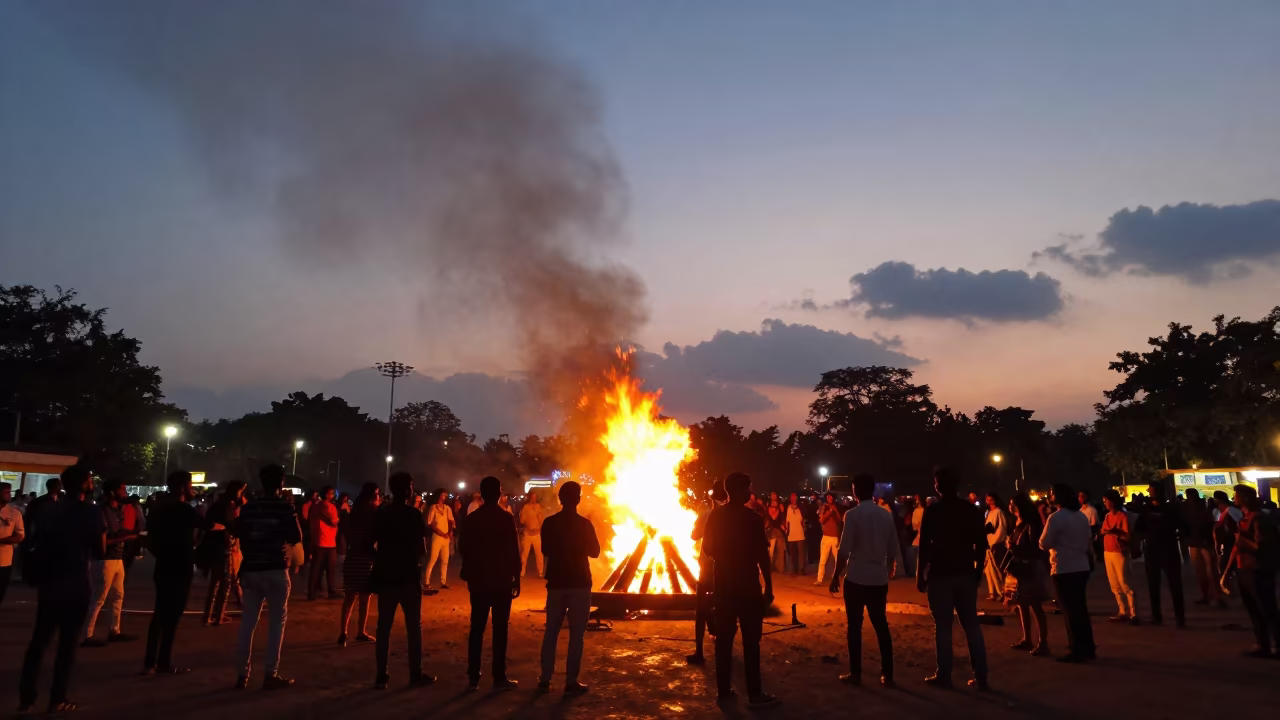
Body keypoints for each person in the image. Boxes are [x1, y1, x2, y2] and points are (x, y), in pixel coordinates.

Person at [18, 464, 103, 714]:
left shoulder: (49, 510)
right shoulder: (90, 512)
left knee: (39, 641)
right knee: (67, 645)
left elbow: (35, 541)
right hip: (75, 580)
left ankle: (27, 697)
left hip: (49, 581)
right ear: (85, 484)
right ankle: (58, 698)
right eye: (90, 479)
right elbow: (99, 550)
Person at [703, 472, 778, 707]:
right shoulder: (752, 519)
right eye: (748, 488)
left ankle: (724, 692)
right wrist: (769, 586)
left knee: (724, 640)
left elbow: (707, 550)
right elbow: (762, 557)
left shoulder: (715, 517)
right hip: (747, 586)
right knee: (751, 642)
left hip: (723, 585)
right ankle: (755, 695)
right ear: (737, 491)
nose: (750, 492)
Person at [916, 466, 989, 691]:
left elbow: (925, 546)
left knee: (944, 627)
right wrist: (977, 573)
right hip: (965, 572)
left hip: (941, 574)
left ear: (938, 485)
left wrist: (921, 574)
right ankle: (981, 675)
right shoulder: (969, 510)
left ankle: (944, 674)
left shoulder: (934, 511)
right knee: (971, 625)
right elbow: (981, 545)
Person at [233, 464, 302, 690]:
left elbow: (240, 533)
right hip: (275, 568)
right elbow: (295, 536)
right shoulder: (285, 507)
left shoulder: (249, 507)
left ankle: (242, 674)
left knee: (247, 624)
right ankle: (270, 673)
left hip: (251, 568)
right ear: (281, 483)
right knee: (276, 624)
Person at [829, 474, 901, 687]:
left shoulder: (852, 515)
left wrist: (835, 576)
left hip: (857, 577)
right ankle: (887, 674)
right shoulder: (885, 515)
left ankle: (856, 672)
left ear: (855, 491)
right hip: (878, 579)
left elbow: (844, 550)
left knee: (854, 627)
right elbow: (892, 547)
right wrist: (888, 568)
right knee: (881, 625)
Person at [370, 472, 436, 689]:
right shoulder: (414, 515)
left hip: (387, 576)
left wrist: (381, 559)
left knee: (384, 626)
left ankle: (381, 674)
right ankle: (415, 673)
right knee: (413, 627)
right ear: (408, 490)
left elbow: (370, 543)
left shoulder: (382, 514)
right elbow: (421, 549)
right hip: (408, 576)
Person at [537, 480, 601, 694]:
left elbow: (545, 549)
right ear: (578, 499)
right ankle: (571, 681)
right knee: (577, 635)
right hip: (579, 583)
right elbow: (595, 552)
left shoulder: (549, 523)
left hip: (556, 583)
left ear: (560, 499)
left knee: (551, 632)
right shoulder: (585, 524)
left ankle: (545, 679)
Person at [459, 476, 521, 691]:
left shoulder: (473, 518)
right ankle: (498, 676)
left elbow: (463, 547)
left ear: (483, 494)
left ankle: (474, 676)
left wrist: (470, 570)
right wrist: (517, 576)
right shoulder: (505, 518)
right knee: (500, 629)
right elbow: (514, 549)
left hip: (479, 581)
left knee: (477, 628)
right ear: (499, 494)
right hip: (501, 580)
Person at [1041, 484, 1096, 663]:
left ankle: (1077, 649)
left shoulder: (1056, 518)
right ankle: (1087, 647)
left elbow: (1044, 543)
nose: (1049, 496)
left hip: (1064, 567)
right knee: (1080, 608)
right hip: (1081, 566)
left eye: (1051, 493)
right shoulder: (1080, 516)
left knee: (1070, 611)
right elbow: (1088, 539)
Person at [1226, 484, 1280, 658]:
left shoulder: (1258, 519)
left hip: (1258, 569)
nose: (1234, 498)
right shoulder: (1245, 518)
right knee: (1254, 609)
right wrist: (1227, 571)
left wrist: (1243, 542)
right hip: (1245, 569)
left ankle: (1277, 645)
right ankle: (1261, 644)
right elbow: (1237, 545)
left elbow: (1261, 545)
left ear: (1246, 498)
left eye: (1236, 495)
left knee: (1267, 609)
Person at [1004, 493, 1050, 655]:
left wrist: (1015, 547)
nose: (1010, 506)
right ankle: (1027, 639)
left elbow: (1035, 548)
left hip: (1029, 567)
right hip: (1019, 567)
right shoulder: (1018, 522)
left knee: (1035, 604)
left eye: (1012, 503)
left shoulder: (1031, 524)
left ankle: (1043, 642)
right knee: (1021, 604)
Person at [1136, 483, 1188, 627]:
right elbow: (1139, 529)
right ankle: (1156, 616)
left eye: (1155, 490)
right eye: (1151, 490)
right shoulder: (1146, 509)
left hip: (1169, 550)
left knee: (1175, 585)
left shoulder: (1171, 509)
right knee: (1153, 585)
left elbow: (1184, 527)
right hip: (1152, 551)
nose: (1153, 493)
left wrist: (1179, 534)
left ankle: (1180, 618)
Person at [688, 480, 726, 665]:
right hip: (727, 568)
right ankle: (723, 649)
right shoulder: (731, 515)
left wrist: (698, 521)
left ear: (711, 497)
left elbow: (694, 535)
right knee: (724, 608)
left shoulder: (707, 515)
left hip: (708, 568)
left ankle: (699, 652)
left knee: (701, 609)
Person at [339, 483, 381, 647]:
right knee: (364, 597)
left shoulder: (354, 511)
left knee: (349, 597)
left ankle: (343, 633)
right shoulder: (373, 513)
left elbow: (348, 533)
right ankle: (360, 631)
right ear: (373, 495)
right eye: (377, 493)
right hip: (366, 557)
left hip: (353, 556)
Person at [201, 481, 245, 626]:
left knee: (214, 583)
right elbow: (234, 528)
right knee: (224, 583)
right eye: (240, 491)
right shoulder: (228, 508)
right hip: (224, 548)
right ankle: (218, 616)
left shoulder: (217, 505)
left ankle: (207, 616)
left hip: (214, 548)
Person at [1101, 490, 1140, 625]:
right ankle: (1122, 611)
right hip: (1108, 551)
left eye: (1106, 500)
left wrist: (1115, 532)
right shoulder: (1107, 516)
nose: (1105, 503)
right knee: (1114, 584)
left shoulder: (1122, 516)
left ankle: (1134, 613)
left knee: (1125, 582)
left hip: (1119, 551)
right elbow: (1103, 531)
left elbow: (1126, 535)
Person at [1182, 489, 1221, 607]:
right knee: (1201, 572)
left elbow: (1211, 524)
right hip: (1196, 542)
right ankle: (1207, 595)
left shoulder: (1204, 509)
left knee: (1210, 571)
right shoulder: (1188, 510)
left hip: (1205, 542)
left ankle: (1216, 597)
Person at [307, 486, 340, 601]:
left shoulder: (314, 506)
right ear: (327, 494)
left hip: (318, 540)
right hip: (328, 541)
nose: (333, 496)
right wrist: (336, 521)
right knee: (330, 569)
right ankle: (332, 591)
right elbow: (333, 521)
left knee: (315, 569)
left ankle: (311, 593)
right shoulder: (329, 506)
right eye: (331, 493)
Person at [423, 489, 455, 591]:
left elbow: (451, 521)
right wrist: (440, 533)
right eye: (443, 495)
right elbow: (430, 523)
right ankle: (426, 582)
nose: (444, 496)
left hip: (446, 537)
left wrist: (450, 532)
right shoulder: (433, 508)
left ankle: (443, 582)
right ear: (438, 495)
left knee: (445, 561)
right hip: (437, 537)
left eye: (445, 495)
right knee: (432, 560)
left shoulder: (447, 508)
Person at [0, 482, 25, 606]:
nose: (9, 495)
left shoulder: (15, 513)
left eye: (9, 492)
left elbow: (20, 535)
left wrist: (4, 541)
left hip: (5, 562)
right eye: (6, 492)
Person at [983, 492, 1010, 601]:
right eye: (987, 499)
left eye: (991, 499)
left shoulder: (999, 512)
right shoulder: (989, 512)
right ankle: (992, 592)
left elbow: (1001, 529)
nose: (989, 501)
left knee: (997, 569)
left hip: (996, 544)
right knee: (989, 569)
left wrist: (995, 542)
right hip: (988, 543)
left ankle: (1002, 592)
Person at [1213, 490, 1241, 591]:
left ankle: (1229, 586)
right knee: (1226, 564)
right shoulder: (1219, 512)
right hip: (1226, 542)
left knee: (1228, 564)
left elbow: (1239, 525)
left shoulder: (1231, 511)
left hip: (1233, 541)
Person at [813, 493, 842, 585]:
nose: (829, 498)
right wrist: (829, 512)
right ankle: (819, 579)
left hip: (834, 538)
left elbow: (839, 520)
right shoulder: (823, 507)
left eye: (831, 497)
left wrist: (834, 511)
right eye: (828, 497)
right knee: (823, 560)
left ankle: (835, 578)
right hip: (826, 537)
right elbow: (821, 520)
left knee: (837, 560)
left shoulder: (836, 507)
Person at [518, 491, 545, 579]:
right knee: (524, 554)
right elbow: (522, 520)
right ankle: (522, 571)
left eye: (535, 497)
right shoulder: (525, 507)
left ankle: (540, 572)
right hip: (527, 534)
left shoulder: (539, 507)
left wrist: (538, 515)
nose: (534, 499)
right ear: (529, 498)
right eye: (532, 497)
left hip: (537, 534)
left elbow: (542, 520)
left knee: (539, 554)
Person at [785, 492, 806, 575]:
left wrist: (804, 527)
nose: (793, 499)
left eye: (794, 497)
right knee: (793, 553)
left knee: (801, 553)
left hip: (800, 533)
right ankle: (794, 569)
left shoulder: (800, 508)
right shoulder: (788, 508)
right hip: (791, 534)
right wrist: (786, 529)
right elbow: (787, 520)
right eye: (792, 497)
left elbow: (803, 520)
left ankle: (801, 569)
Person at [1078, 490, 1101, 560]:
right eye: (1079, 496)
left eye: (1082, 496)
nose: (1080, 498)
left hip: (1089, 541)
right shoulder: (1080, 511)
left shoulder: (1091, 510)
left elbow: (1094, 526)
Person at [765, 499, 787, 572]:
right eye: (772, 504)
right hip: (772, 531)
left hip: (778, 531)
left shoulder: (780, 510)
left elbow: (782, 519)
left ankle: (780, 567)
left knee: (780, 550)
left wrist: (782, 511)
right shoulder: (770, 510)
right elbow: (773, 517)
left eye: (775, 504)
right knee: (771, 550)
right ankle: (772, 566)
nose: (774, 506)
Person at [906, 494, 924, 578]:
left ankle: (914, 574)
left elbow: (914, 527)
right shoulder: (929, 510)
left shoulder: (917, 511)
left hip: (919, 539)